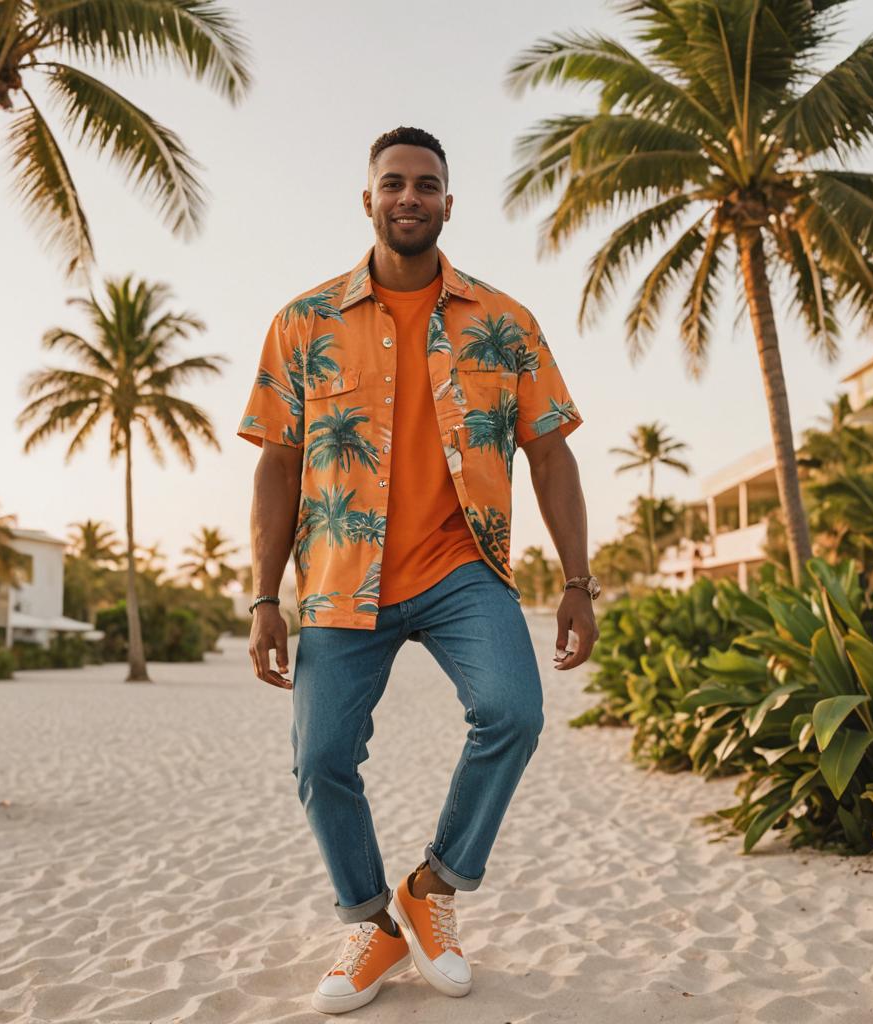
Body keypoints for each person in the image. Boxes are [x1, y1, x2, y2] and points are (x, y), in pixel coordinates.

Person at [238, 126, 599, 1014]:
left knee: (513, 712)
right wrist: (261, 596)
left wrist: (579, 582)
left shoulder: (506, 323)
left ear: (447, 202)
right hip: (338, 576)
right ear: (368, 200)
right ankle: (374, 921)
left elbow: (551, 457)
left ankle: (432, 890)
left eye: (427, 184)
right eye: (393, 183)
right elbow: (277, 463)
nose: (409, 196)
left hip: (462, 567)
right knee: (321, 759)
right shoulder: (303, 322)